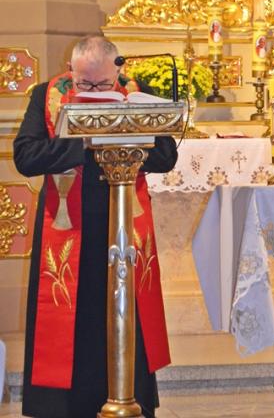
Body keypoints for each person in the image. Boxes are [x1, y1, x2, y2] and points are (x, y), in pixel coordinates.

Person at [13, 35, 178, 418]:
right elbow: (26, 156)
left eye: (103, 85)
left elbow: (166, 156)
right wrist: (86, 140)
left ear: (118, 71)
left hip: (123, 229)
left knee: (125, 318)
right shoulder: (46, 96)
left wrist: (124, 133)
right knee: (72, 329)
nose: (94, 92)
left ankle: (128, 399)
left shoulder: (138, 94)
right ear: (70, 71)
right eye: (84, 83)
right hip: (68, 231)